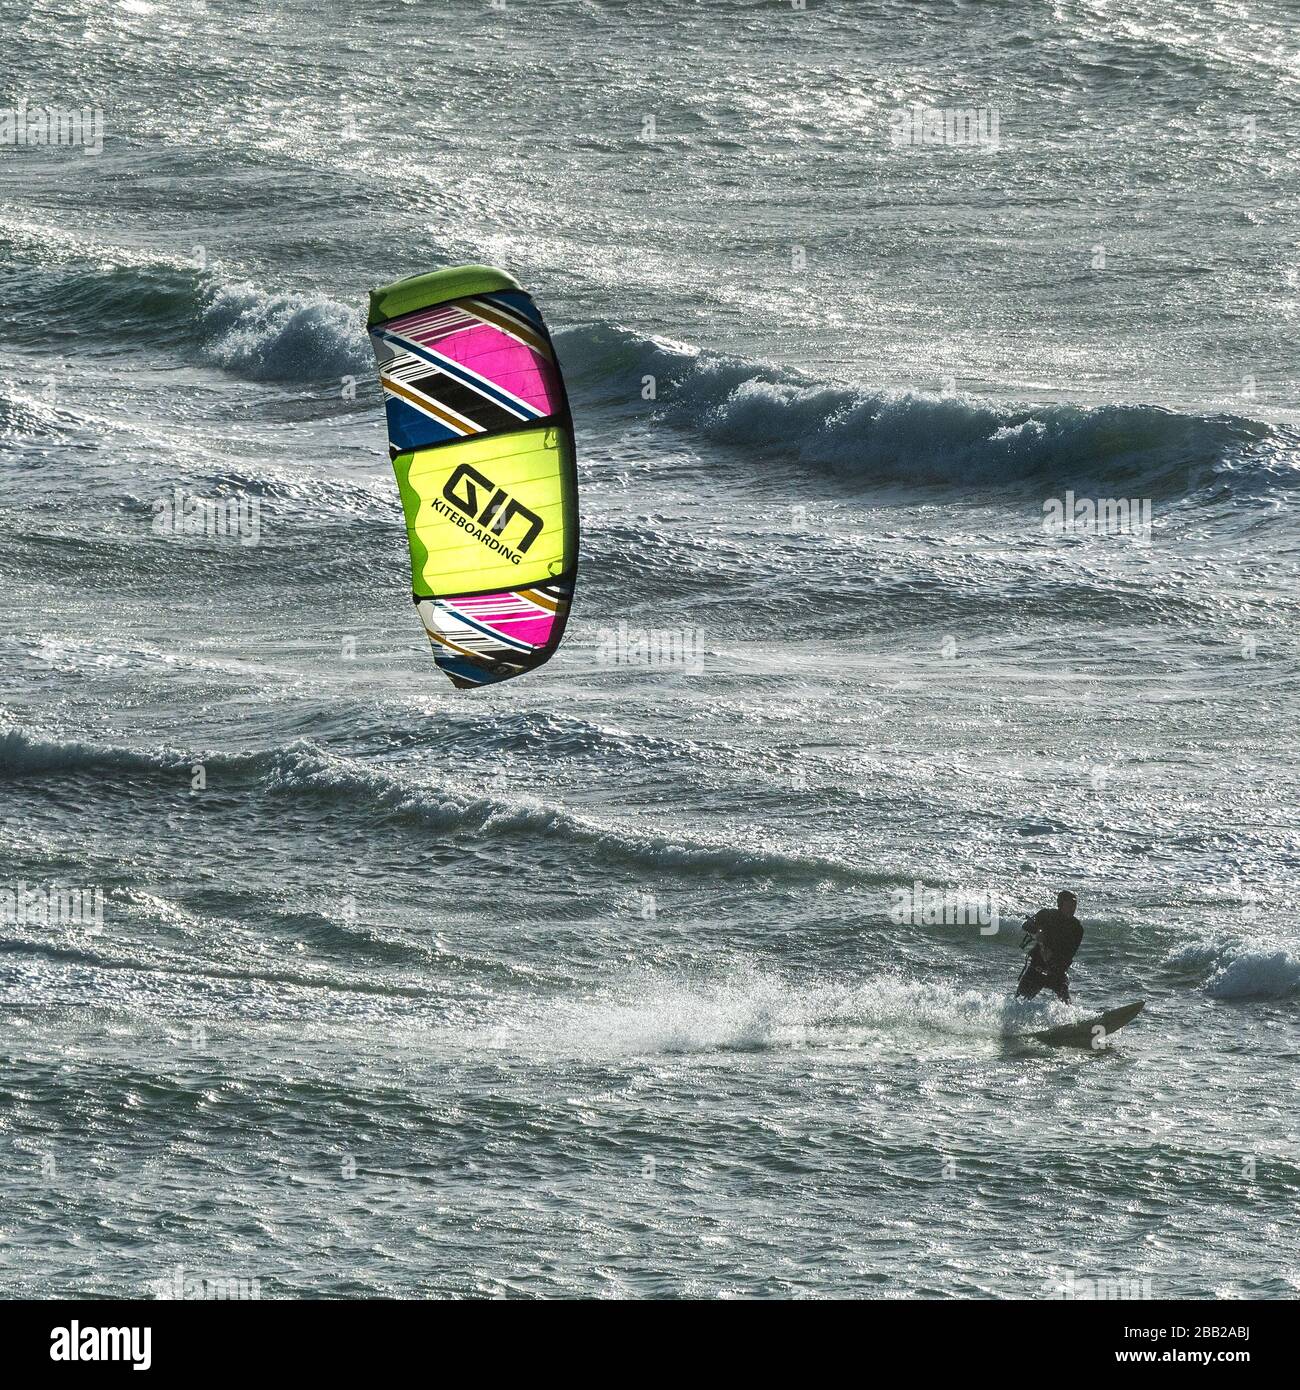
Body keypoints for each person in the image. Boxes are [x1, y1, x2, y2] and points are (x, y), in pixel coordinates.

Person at [1016, 891, 1083, 1003]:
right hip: (1037, 968)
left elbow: (1070, 953)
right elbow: (1026, 925)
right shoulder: (1046, 915)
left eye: (1074, 906)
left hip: (1057, 972)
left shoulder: (1077, 928)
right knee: (1019, 1001)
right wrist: (1037, 932)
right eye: (1069, 905)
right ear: (1061, 905)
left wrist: (1052, 957)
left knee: (1066, 1005)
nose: (1072, 909)